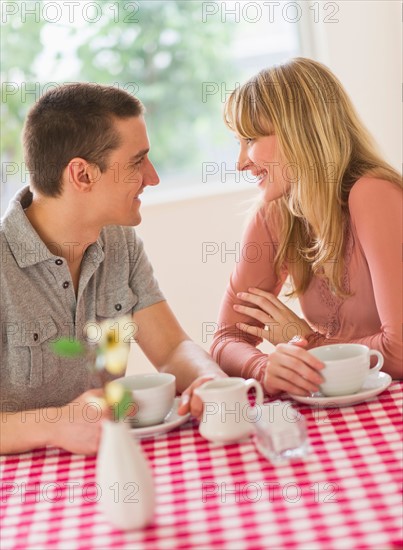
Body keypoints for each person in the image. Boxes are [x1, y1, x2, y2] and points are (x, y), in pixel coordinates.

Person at [1, 83, 226, 455]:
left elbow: (171, 350)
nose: (152, 177)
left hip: (112, 464)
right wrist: (54, 425)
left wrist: (208, 378)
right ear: (82, 175)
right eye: (137, 162)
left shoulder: (119, 243)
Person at [210, 57, 402, 397]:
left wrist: (309, 343)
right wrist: (265, 368)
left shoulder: (373, 194)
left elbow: (400, 352)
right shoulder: (275, 215)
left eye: (251, 139)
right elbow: (227, 339)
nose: (240, 163)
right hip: (342, 400)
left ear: (300, 131)